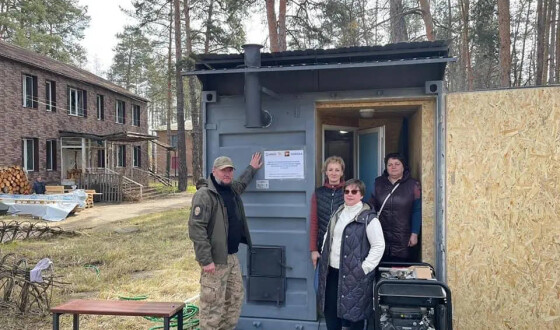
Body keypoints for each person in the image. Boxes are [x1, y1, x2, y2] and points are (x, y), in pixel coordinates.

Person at [188, 153, 262, 330]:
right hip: (215, 261)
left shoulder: (231, 189)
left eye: (230, 171)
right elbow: (196, 229)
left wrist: (252, 168)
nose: (227, 174)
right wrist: (206, 260)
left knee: (234, 301)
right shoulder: (205, 195)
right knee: (212, 307)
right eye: (223, 171)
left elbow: (242, 183)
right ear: (214, 171)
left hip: (231, 258)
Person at [317, 179, 385, 330]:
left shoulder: (369, 218)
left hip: (355, 275)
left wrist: (364, 268)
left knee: (355, 314)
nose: (349, 194)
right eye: (346, 191)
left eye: (354, 191)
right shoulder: (338, 213)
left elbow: (379, 246)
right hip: (332, 272)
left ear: (361, 195)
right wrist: (324, 254)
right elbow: (328, 236)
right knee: (331, 311)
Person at [370, 153, 421, 262]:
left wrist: (415, 233)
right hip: (381, 235)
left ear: (403, 166)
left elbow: (417, 210)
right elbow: (372, 207)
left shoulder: (414, 185)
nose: (393, 167)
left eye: (397, 164)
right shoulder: (378, 183)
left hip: (404, 237)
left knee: (401, 270)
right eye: (390, 164)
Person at [310, 156, 346, 269]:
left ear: (342, 173)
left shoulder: (349, 191)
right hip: (324, 245)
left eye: (337, 170)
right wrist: (314, 249)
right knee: (323, 283)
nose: (333, 173)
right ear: (326, 172)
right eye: (330, 170)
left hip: (344, 246)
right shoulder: (318, 193)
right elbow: (314, 222)